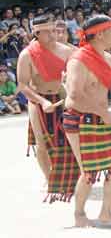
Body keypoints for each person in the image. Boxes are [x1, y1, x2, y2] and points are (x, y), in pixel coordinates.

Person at [63, 15, 111, 227]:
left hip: (102, 117)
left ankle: (106, 212)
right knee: (88, 171)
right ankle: (79, 214)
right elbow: (75, 95)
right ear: (101, 33)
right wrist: (103, 113)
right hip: (79, 118)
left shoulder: (109, 59)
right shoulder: (78, 60)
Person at [16, 15, 77, 200]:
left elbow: (77, 75)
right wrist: (42, 102)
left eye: (54, 31)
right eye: (48, 32)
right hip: (38, 100)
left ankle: (70, 177)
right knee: (42, 143)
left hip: (62, 97)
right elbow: (23, 85)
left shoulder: (66, 51)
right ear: (36, 33)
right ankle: (48, 177)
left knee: (70, 139)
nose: (53, 35)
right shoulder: (27, 54)